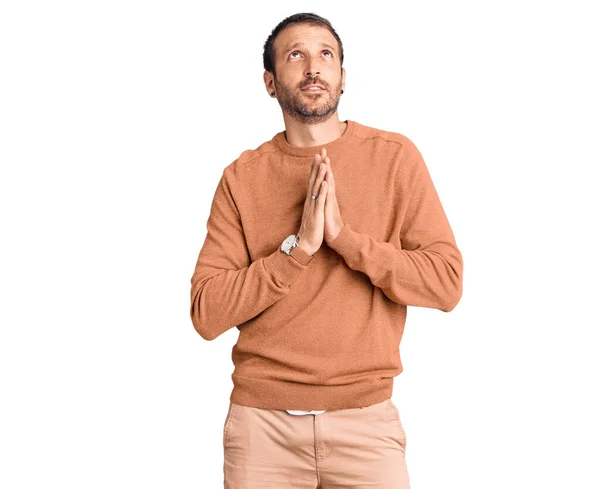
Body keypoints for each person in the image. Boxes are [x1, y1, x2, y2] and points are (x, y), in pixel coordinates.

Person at [189, 12, 463, 489]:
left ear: (342, 77)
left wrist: (345, 241)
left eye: (326, 55)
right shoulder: (242, 177)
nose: (313, 66)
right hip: (262, 429)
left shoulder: (395, 158)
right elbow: (206, 312)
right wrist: (296, 251)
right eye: (296, 55)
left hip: (367, 424)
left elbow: (445, 283)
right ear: (271, 83)